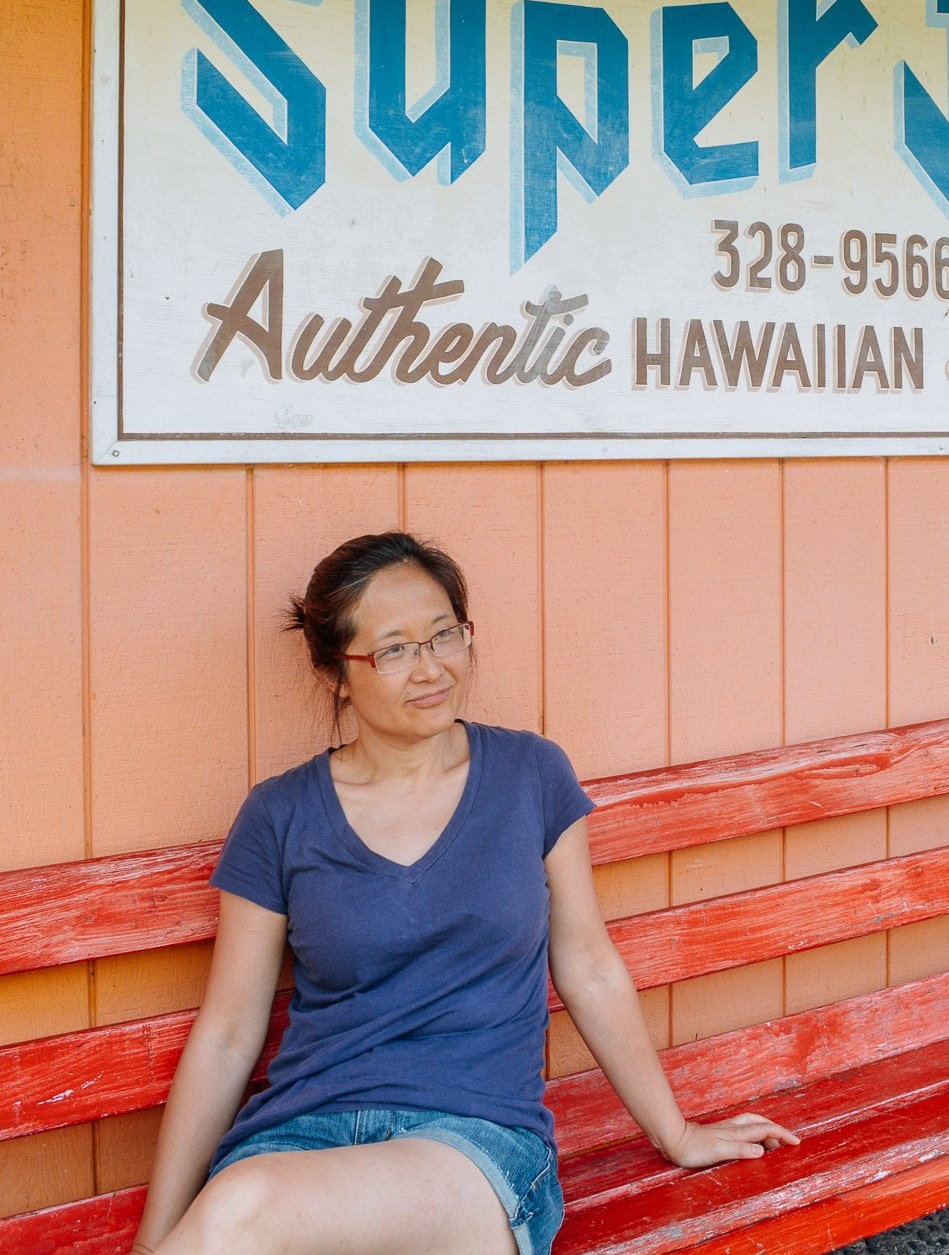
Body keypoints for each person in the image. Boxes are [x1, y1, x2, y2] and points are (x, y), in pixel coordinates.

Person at [129, 531, 797, 1255]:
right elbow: (228, 1035)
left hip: (474, 1145)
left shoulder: (530, 775)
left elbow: (589, 966)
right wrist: (152, 1237)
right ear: (336, 672)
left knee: (243, 1209)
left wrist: (676, 1131)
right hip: (302, 1138)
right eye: (395, 648)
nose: (432, 667)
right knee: (246, 1203)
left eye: (445, 633)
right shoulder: (279, 814)